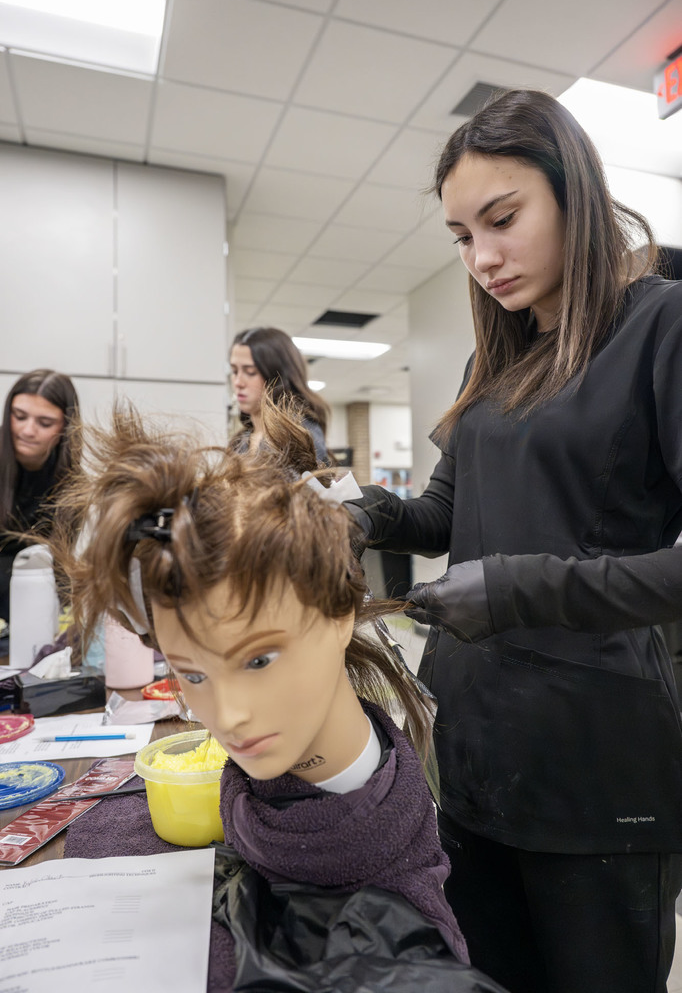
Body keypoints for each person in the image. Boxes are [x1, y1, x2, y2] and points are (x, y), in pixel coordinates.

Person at [345, 88, 682, 993]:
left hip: (594, 764)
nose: (483, 258)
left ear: (573, 190)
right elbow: (445, 517)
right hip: (471, 745)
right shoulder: (489, 359)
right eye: (462, 236)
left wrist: (521, 589)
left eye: (503, 219)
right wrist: (367, 513)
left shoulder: (662, 327)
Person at [49, 403, 507, 993]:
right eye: (192, 675)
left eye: (259, 660)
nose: (229, 715)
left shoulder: (402, 939)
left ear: (342, 613)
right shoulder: (269, 790)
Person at [0, 368, 80, 623]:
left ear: (65, 426)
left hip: (37, 597)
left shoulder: (74, 485)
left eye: (44, 423)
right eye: (19, 416)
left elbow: (60, 565)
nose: (27, 430)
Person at [229, 326, 331, 463]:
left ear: (277, 376)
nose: (238, 382)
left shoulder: (299, 434)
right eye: (234, 371)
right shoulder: (239, 442)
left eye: (250, 372)